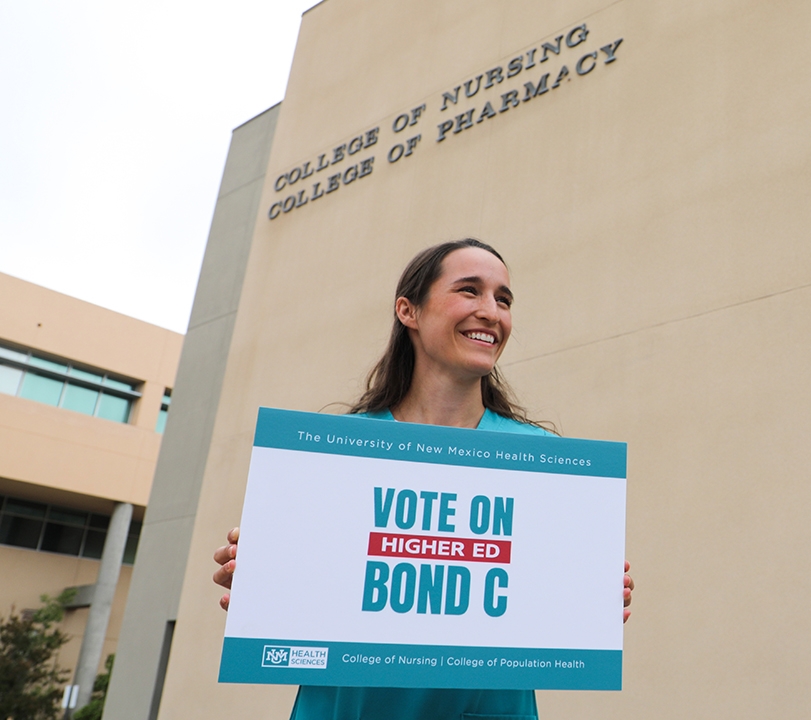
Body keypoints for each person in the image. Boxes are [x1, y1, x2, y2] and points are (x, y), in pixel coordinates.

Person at [212, 239, 634, 720]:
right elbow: (299, 599)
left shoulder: (542, 465)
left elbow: (554, 605)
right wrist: (264, 579)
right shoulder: (332, 456)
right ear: (408, 310)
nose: (491, 312)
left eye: (503, 299)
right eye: (469, 291)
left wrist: (591, 595)